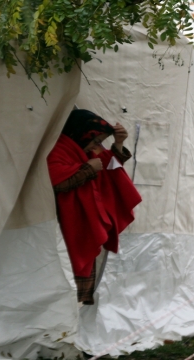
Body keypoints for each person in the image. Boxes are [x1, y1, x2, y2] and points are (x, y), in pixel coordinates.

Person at [47, 109, 142, 305]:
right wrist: (88, 168)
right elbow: (55, 181)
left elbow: (107, 167)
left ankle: (75, 318)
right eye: (95, 140)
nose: (97, 146)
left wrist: (118, 143)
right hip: (64, 228)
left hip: (82, 226)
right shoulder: (57, 150)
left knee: (79, 284)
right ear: (81, 133)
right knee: (64, 277)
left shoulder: (83, 151)